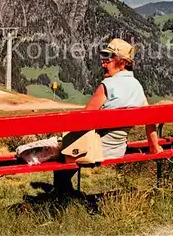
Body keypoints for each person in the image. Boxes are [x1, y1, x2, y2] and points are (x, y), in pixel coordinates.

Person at [52, 38, 163, 195]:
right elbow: (149, 118)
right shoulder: (137, 86)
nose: (103, 63)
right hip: (118, 149)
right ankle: (65, 193)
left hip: (95, 150)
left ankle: (61, 197)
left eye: (109, 59)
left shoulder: (106, 86)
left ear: (123, 63)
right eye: (104, 59)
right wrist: (154, 146)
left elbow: (81, 120)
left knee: (62, 155)